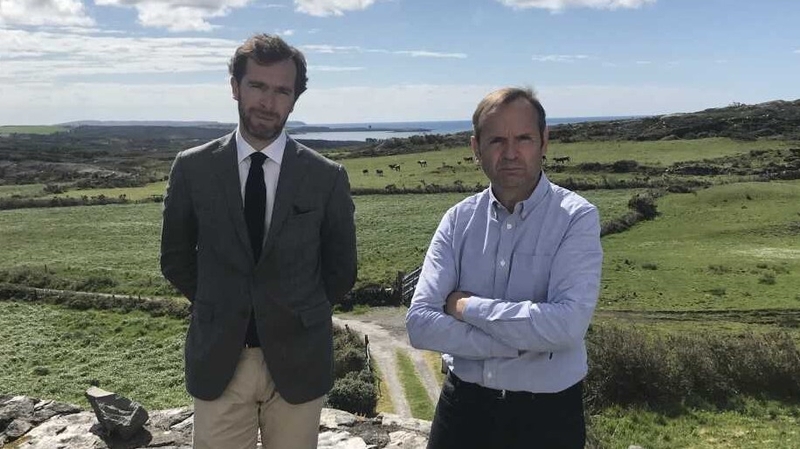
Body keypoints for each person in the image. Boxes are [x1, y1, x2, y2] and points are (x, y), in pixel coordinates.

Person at [160, 34, 357, 449]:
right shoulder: (192, 169)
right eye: (257, 86)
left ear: (295, 99)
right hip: (219, 358)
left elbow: (341, 270)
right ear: (235, 87)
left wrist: (295, 311)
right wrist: (220, 303)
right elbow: (175, 259)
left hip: (299, 360)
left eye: (282, 90)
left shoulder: (326, 177)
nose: (268, 102)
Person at [405, 87, 602, 449]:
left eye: (523, 138)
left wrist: (466, 306)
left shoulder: (576, 218)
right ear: (476, 147)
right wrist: (520, 342)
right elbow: (419, 324)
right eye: (496, 140)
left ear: (544, 142)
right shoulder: (458, 220)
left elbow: (567, 326)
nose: (510, 153)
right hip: (462, 409)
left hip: (547, 419)